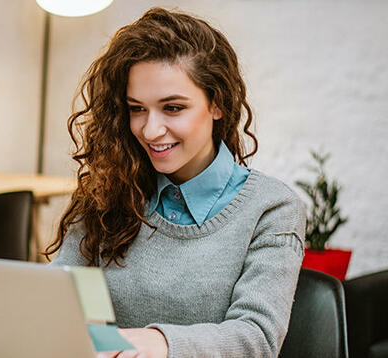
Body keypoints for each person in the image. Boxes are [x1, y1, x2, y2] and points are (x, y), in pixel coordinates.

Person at [45, 7, 306, 358]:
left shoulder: (271, 208)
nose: (150, 131)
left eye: (172, 108)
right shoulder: (110, 189)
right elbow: (63, 297)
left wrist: (163, 344)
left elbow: (256, 337)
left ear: (217, 104)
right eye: (137, 108)